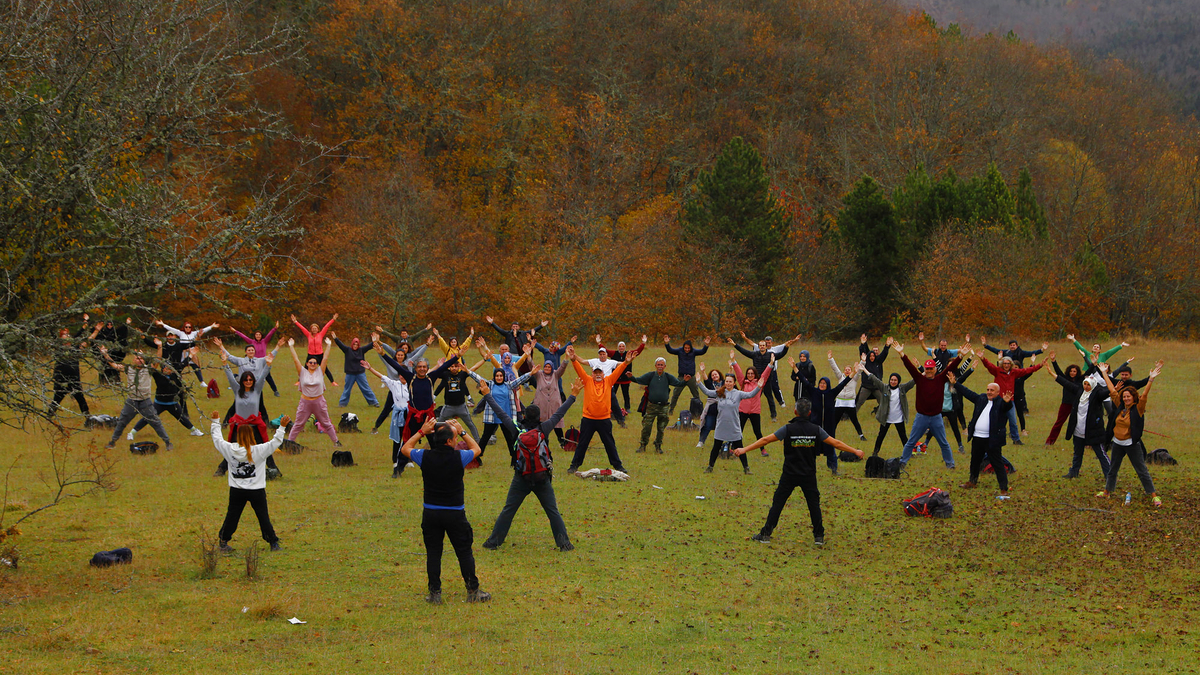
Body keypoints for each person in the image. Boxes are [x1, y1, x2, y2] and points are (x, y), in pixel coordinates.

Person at [735, 398, 864, 546]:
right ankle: (819, 537)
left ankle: (765, 534)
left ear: (795, 412)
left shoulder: (788, 429)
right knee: (813, 505)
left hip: (789, 474)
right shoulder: (816, 430)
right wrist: (855, 451)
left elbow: (765, 440)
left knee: (778, 503)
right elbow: (836, 443)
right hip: (808, 474)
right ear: (809, 413)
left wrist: (744, 449)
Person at [479, 378, 585, 551]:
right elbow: (559, 413)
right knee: (553, 511)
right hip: (542, 477)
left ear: (524, 416)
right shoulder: (545, 428)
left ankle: (493, 543)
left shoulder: (516, 428)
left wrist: (487, 395)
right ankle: (564, 544)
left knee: (508, 510)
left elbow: (500, 413)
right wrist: (573, 395)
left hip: (521, 477)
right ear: (539, 417)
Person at [398, 416, 490, 604]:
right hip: (455, 513)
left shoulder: (424, 456)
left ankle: (435, 594)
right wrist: (463, 431)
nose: (457, 441)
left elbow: (405, 448)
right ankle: (473, 591)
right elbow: (477, 449)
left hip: (431, 513)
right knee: (464, 552)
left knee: (433, 553)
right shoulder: (459, 457)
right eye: (455, 438)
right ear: (449, 441)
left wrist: (421, 431)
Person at [210, 410, 290, 552]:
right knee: (263, 516)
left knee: (232, 516)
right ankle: (273, 543)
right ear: (252, 436)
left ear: (237, 436)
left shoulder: (230, 449)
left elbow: (217, 439)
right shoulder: (259, 450)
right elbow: (276, 442)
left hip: (236, 491)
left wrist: (215, 421)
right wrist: (282, 427)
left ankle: (223, 541)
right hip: (256, 490)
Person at [1095, 361, 1163, 507]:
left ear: (1133, 397)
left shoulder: (1137, 408)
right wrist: (1104, 374)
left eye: (1128, 397)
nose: (1126, 398)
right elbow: (1112, 391)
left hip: (1131, 444)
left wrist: (1150, 379)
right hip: (1117, 443)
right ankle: (1107, 492)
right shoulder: (1120, 406)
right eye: (1124, 396)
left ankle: (1154, 495)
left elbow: (1144, 396)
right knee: (1113, 469)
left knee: (1142, 471)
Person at [696, 354, 772, 474]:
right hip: (721, 426)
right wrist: (699, 382)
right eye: (726, 381)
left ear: (734, 382)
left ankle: (746, 468)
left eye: (730, 381)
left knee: (740, 448)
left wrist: (758, 387)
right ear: (724, 382)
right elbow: (707, 392)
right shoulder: (719, 392)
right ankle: (710, 467)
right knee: (716, 447)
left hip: (734, 426)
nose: (728, 383)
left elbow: (751, 394)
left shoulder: (738, 393)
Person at [564, 345, 634, 474]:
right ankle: (574, 466)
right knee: (582, 444)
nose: (597, 375)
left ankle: (618, 466)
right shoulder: (587, 381)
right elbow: (580, 370)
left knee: (609, 444)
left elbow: (618, 371)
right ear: (592, 373)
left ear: (603, 373)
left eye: (599, 372)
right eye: (595, 372)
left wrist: (626, 362)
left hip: (604, 420)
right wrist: (574, 360)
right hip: (588, 419)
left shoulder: (609, 381)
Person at [894, 342, 962, 469]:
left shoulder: (940, 379)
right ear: (924, 370)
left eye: (931, 369)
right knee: (911, 442)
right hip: (921, 417)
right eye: (927, 369)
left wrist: (960, 356)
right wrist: (901, 354)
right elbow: (909, 367)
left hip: (936, 417)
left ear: (935, 369)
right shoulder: (920, 379)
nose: (929, 371)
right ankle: (903, 462)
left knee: (944, 443)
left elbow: (950, 368)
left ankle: (950, 464)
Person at [1044, 352, 1111, 479]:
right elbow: (1064, 382)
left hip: (1092, 430)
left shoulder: (1097, 394)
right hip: (1078, 430)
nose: (1086, 386)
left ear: (1093, 385)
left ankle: (1110, 475)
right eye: (1085, 384)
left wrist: (1106, 377)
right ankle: (1073, 472)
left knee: (1100, 453)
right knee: (1077, 453)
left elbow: (1109, 391)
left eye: (1088, 385)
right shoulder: (1079, 390)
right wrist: (1051, 372)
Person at [467, 339, 533, 463]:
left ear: (503, 377)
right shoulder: (490, 385)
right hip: (492, 417)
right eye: (497, 376)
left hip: (505, 417)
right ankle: (477, 459)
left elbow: (520, 379)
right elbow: (479, 378)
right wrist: (468, 371)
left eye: (500, 376)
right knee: (485, 438)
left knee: (510, 439)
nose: (498, 377)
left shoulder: (509, 385)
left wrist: (531, 373)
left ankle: (515, 460)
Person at [950, 372, 1014, 495]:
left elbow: (1006, 408)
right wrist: (955, 384)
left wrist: (1007, 402)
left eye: (992, 390)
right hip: (977, 437)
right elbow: (968, 393)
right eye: (988, 389)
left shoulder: (1001, 402)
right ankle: (972, 481)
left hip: (992, 440)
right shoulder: (981, 398)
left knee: (997, 463)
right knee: (975, 461)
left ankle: (1003, 488)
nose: (989, 392)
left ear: (997, 392)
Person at [101, 347, 173, 451]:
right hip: (131, 401)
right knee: (122, 422)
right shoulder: (129, 368)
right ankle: (112, 442)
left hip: (145, 401)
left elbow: (158, 358)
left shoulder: (148, 369)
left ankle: (167, 442)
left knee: (155, 422)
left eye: (142, 359)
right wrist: (105, 354)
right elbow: (114, 365)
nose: (140, 360)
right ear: (133, 360)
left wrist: (160, 346)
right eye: (137, 358)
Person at [789, 357, 851, 475]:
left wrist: (853, 373)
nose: (822, 385)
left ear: (827, 384)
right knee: (811, 448)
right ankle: (809, 468)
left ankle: (833, 469)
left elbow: (843, 383)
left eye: (824, 383)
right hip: (815, 425)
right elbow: (804, 380)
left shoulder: (832, 393)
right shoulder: (814, 392)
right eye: (821, 383)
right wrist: (794, 368)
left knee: (831, 447)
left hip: (828, 426)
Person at [129, 342, 205, 438]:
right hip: (159, 403)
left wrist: (191, 355)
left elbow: (183, 363)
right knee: (148, 418)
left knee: (182, 417)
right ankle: (132, 433)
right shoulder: (158, 375)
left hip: (172, 403)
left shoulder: (175, 374)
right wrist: (141, 356)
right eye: (164, 368)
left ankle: (194, 430)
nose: (166, 370)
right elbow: (150, 365)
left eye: (168, 368)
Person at [284, 338, 341, 448]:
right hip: (305, 402)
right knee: (299, 424)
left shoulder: (320, 371)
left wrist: (328, 345)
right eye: (310, 362)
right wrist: (291, 346)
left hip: (318, 402)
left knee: (326, 423)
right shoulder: (302, 372)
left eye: (315, 363)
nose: (313, 364)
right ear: (307, 363)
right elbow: (295, 359)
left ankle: (336, 442)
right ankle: (289, 443)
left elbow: (325, 359)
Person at [361, 356, 412, 477]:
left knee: (409, 438)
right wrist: (370, 368)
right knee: (397, 439)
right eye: (400, 374)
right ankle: (395, 461)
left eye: (403, 374)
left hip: (409, 415)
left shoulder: (412, 385)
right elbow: (382, 376)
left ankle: (408, 459)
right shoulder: (394, 384)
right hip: (398, 415)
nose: (401, 376)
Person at [979, 353, 1044, 445]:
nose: (1006, 365)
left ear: (1011, 365)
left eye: (1008, 364)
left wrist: (1040, 365)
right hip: (998, 401)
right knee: (996, 421)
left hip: (1010, 401)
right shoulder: (997, 371)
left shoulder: (1014, 373)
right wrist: (982, 358)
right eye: (1005, 363)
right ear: (1002, 364)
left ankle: (1016, 439)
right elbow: (989, 365)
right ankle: (993, 438)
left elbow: (1027, 370)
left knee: (1013, 421)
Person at [733, 333, 800, 421]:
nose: (762, 347)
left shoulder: (771, 355)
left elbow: (781, 354)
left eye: (763, 345)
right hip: (756, 381)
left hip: (767, 380)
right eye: (760, 345)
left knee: (770, 397)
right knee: (752, 397)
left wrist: (787, 347)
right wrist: (735, 345)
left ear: (765, 346)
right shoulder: (755, 354)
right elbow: (744, 351)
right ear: (759, 346)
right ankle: (748, 413)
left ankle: (773, 416)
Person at [861, 367, 915, 456]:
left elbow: (913, 382)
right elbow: (874, 378)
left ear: (898, 381)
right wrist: (864, 369)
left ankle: (909, 453)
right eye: (891, 380)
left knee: (903, 437)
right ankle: (875, 452)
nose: (893, 382)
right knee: (881, 436)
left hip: (898, 418)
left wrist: (924, 372)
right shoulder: (884, 388)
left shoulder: (902, 389)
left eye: (895, 380)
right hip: (886, 418)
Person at [633, 357, 683, 454]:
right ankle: (643, 445)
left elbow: (678, 383)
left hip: (663, 407)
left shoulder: (668, 377)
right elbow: (639, 380)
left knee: (661, 428)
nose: (660, 367)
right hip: (651, 406)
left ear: (665, 366)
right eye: (658, 365)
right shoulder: (650, 376)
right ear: (655, 366)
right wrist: (630, 377)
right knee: (646, 427)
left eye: (662, 365)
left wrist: (685, 381)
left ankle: (658, 446)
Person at [155, 318, 219, 383]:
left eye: (189, 327)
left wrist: (211, 326)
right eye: (186, 327)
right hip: (183, 353)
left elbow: (202, 331)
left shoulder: (194, 333)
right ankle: (176, 379)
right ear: (184, 327)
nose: (188, 328)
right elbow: (171, 329)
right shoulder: (180, 333)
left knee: (196, 366)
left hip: (192, 352)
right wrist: (163, 324)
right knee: (180, 367)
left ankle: (202, 381)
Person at [49, 324, 91, 418]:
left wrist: (87, 328)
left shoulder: (75, 349)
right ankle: (49, 417)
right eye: (64, 340)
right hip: (62, 380)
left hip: (74, 380)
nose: (66, 342)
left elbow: (84, 339)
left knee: (81, 399)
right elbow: (53, 336)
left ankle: (88, 418)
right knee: (56, 400)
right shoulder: (59, 350)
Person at [230, 322, 280, 396]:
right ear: (254, 336)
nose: (258, 336)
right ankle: (243, 386)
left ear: (261, 336)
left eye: (259, 335)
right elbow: (243, 336)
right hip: (254, 363)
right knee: (250, 377)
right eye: (256, 335)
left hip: (263, 362)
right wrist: (235, 331)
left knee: (268, 377)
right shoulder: (251, 342)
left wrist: (275, 328)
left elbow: (270, 334)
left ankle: (275, 391)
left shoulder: (264, 341)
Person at [730, 357, 768, 455]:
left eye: (752, 373)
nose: (750, 375)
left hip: (755, 411)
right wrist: (734, 361)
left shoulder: (759, 384)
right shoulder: (743, 383)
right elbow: (738, 373)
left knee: (757, 432)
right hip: (742, 411)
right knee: (738, 430)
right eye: (748, 373)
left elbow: (766, 374)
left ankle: (762, 450)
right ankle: (733, 448)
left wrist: (771, 364)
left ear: (755, 374)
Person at [529, 356, 571, 446]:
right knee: (541, 424)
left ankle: (562, 441)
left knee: (556, 423)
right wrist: (528, 357)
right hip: (541, 404)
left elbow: (562, 368)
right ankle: (541, 441)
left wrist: (566, 358)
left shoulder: (556, 374)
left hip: (554, 404)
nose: (547, 368)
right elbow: (532, 367)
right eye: (545, 367)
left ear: (552, 368)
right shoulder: (539, 374)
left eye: (549, 367)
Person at [665, 336, 710, 414]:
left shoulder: (694, 352)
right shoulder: (680, 351)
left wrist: (706, 345)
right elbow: (670, 350)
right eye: (685, 348)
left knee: (696, 395)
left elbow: (702, 351)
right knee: (675, 394)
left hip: (691, 377)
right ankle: (671, 410)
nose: (687, 349)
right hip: (681, 377)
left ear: (691, 348)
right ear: (683, 347)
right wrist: (667, 343)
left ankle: (699, 411)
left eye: (688, 348)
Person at [332, 333, 379, 407]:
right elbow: (340, 345)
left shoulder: (361, 350)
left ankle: (374, 402)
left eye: (357, 344)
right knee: (347, 390)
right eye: (354, 344)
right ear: (352, 344)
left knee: (366, 388)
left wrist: (373, 342)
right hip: (350, 374)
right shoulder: (347, 350)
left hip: (360, 374)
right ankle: (342, 404)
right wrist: (335, 338)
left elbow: (369, 347)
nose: (355, 346)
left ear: (358, 345)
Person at [827, 351, 865, 440]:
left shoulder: (855, 378)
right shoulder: (840, 377)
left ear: (851, 371)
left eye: (849, 369)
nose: (847, 371)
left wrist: (863, 361)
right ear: (844, 371)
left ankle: (861, 436)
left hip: (850, 402)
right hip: (840, 401)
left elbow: (859, 371)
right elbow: (835, 368)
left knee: (854, 420)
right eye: (846, 369)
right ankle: (831, 436)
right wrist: (830, 359)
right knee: (835, 421)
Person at [1045, 360, 1084, 445]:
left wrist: (1092, 363)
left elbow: (1090, 370)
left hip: (1077, 405)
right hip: (1066, 404)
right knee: (1059, 423)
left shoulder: (1081, 381)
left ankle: (1081, 442)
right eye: (1071, 371)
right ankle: (1050, 441)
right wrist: (1054, 362)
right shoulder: (1065, 379)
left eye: (1074, 371)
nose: (1072, 373)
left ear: (1077, 372)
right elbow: (1058, 373)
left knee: (1080, 423)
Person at [291, 313, 338, 383]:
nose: (314, 329)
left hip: (319, 354)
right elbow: (302, 328)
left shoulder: (321, 334)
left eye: (315, 328)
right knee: (305, 368)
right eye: (313, 328)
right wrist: (295, 321)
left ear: (318, 329)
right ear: (311, 330)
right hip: (311, 354)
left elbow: (326, 327)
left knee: (325, 368)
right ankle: (299, 381)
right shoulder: (308, 335)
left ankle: (332, 382)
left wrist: (333, 319)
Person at [88, 316, 132, 385]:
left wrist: (126, 324)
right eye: (108, 324)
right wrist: (88, 320)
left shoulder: (115, 332)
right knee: (104, 366)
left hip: (114, 353)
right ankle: (104, 381)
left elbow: (122, 332)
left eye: (111, 324)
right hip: (103, 352)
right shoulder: (102, 332)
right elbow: (93, 332)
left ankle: (115, 381)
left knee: (114, 366)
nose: (109, 326)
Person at [856, 335, 893, 410]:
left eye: (874, 355)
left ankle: (885, 415)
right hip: (866, 387)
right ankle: (850, 416)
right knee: (858, 402)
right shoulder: (865, 362)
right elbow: (863, 352)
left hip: (876, 387)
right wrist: (863, 344)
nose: (872, 357)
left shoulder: (878, 361)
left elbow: (884, 354)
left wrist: (887, 346)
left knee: (883, 402)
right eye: (871, 355)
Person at [695, 368, 725, 448]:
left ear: (719, 375)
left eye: (716, 374)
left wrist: (731, 368)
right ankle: (701, 441)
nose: (714, 376)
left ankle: (722, 444)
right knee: (707, 425)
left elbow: (730, 378)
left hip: (723, 410)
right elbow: (706, 384)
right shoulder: (711, 385)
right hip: (712, 409)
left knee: (723, 427)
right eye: (712, 375)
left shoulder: (725, 384)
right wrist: (703, 371)